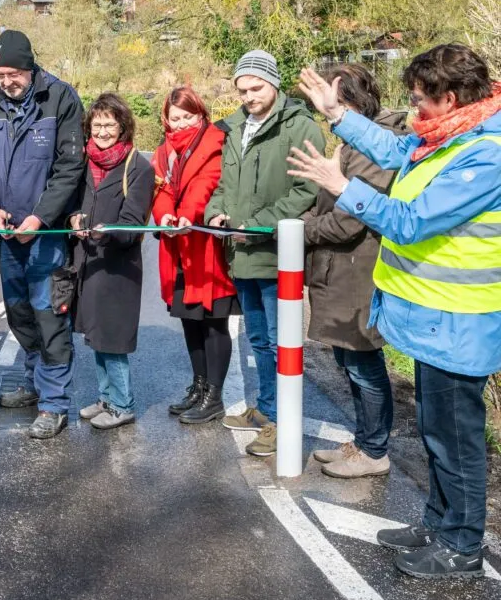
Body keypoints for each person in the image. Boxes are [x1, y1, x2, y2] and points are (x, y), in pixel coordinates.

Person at [292, 43, 501, 579]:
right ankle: (438, 523)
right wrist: (338, 115)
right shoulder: (446, 134)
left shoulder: (485, 154)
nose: (413, 108)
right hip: (435, 320)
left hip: (461, 324)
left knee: (456, 441)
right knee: (435, 433)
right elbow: (393, 148)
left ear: (449, 98)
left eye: (419, 98)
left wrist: (343, 188)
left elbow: (410, 222)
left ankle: (462, 547)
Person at [204, 49, 323, 457]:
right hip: (240, 255)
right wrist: (216, 212)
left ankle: (282, 423)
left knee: (279, 342)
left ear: (273, 83)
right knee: (257, 339)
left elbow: (307, 189)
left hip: (276, 255)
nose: (248, 97)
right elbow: (224, 185)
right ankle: (268, 408)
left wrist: (257, 226)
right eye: (242, 90)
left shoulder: (300, 127)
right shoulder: (235, 128)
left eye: (256, 88)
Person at [0, 29, 85, 439]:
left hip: (46, 235)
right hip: (7, 236)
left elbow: (69, 167)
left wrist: (40, 218)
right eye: (0, 75)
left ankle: (54, 403)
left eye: (13, 74)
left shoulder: (61, 98)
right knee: (19, 313)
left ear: (30, 66)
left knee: (49, 316)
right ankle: (35, 380)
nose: (7, 82)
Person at [299, 64, 406, 479]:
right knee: (349, 359)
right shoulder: (353, 142)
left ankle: (374, 450)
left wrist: (300, 231)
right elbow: (326, 201)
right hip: (340, 267)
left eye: (336, 101)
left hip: (358, 268)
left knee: (364, 362)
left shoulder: (378, 145)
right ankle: (363, 442)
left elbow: (348, 222)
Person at [151, 87, 238, 425]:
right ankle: (199, 386)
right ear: (166, 119)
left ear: (201, 114)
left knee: (214, 321)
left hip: (205, 246)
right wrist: (164, 216)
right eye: (176, 118)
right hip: (178, 246)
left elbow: (207, 184)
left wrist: (186, 216)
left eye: (188, 116)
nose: (182, 123)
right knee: (189, 319)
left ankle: (214, 396)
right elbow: (160, 189)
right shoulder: (163, 151)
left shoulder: (215, 142)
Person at [68, 94, 155, 429]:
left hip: (118, 267)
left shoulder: (139, 168)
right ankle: (106, 397)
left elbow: (132, 224)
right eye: (97, 125)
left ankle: (122, 404)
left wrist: (104, 232)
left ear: (123, 126)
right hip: (89, 261)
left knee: (113, 338)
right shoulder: (85, 161)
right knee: (96, 334)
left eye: (109, 124)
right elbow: (76, 204)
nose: (102, 132)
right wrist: (75, 219)